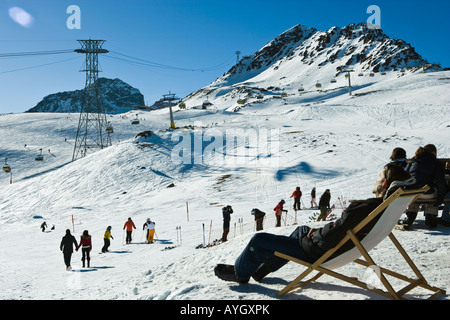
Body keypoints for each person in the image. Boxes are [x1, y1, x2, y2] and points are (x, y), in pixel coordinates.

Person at [214, 167, 415, 284]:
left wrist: (317, 235)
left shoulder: (365, 208)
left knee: (259, 239)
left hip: (318, 251)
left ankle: (241, 273)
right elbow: (341, 229)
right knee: (300, 229)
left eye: (380, 178)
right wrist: (318, 231)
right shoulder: (378, 208)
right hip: (336, 247)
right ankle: (261, 270)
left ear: (387, 183)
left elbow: (334, 234)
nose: (377, 180)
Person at [399, 144, 446, 228]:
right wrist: (440, 199)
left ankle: (411, 215)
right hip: (427, 194)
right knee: (433, 190)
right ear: (434, 152)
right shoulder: (437, 163)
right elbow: (440, 181)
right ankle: (430, 216)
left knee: (415, 189)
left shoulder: (413, 161)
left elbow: (404, 177)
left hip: (411, 194)